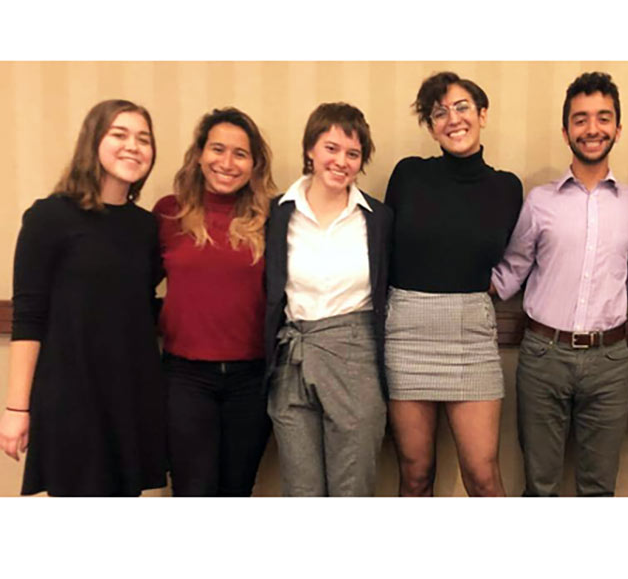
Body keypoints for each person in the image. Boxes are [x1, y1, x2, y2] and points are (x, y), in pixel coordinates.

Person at [492, 72, 628, 496]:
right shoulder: (539, 202)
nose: (592, 129)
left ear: (617, 129)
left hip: (609, 362)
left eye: (603, 118)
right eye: (580, 119)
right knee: (540, 485)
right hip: (543, 357)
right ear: (566, 130)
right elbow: (510, 272)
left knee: (598, 489)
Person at [0, 99, 166, 496]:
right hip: (71, 393)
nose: (133, 146)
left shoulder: (147, 228)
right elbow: (28, 317)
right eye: (119, 134)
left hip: (130, 393)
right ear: (93, 141)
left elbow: (135, 307)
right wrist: (16, 408)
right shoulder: (49, 217)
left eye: (144, 139)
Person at [384, 71, 522, 496]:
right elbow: (383, 250)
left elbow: (521, 257)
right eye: (439, 112)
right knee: (415, 471)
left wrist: (494, 289)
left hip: (471, 336)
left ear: (482, 114)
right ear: (431, 127)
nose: (452, 119)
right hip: (407, 332)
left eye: (462, 107)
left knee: (482, 474)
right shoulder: (408, 175)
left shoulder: (507, 187)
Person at [265, 102, 392, 496]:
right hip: (292, 357)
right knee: (301, 492)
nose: (341, 161)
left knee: (350, 490)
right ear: (310, 150)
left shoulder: (377, 218)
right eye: (331, 148)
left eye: (353, 154)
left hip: (355, 355)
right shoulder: (276, 213)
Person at [153, 107, 275, 496]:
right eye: (217, 149)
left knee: (236, 490)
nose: (226, 162)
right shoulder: (169, 213)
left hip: (252, 379)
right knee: (194, 491)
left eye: (240, 153)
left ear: (254, 164)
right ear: (199, 154)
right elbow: (129, 287)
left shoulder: (273, 218)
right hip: (185, 379)